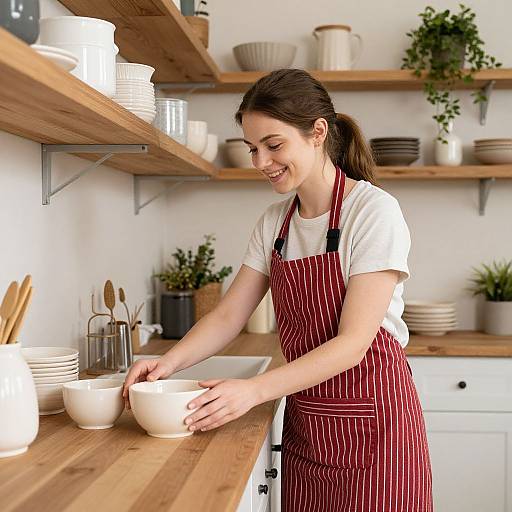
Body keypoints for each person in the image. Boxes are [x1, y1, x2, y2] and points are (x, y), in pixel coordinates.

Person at [123, 68, 433, 511]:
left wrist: (252, 390)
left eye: (273, 145)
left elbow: (352, 344)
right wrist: (165, 365)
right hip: (309, 426)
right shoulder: (275, 223)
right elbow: (229, 316)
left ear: (317, 133)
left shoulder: (373, 212)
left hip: (375, 430)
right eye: (253, 149)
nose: (260, 163)